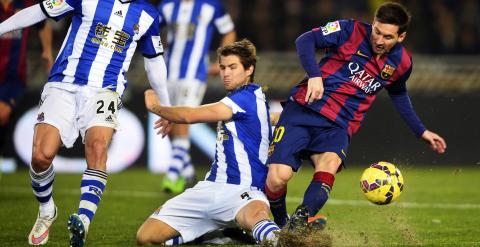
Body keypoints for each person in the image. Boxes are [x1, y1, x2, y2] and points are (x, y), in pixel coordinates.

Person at [0, 0, 170, 246]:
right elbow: (39, 10)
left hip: (105, 91)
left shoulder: (148, 15)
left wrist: (165, 107)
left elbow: (154, 61)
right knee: (41, 156)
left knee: (99, 147)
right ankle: (47, 210)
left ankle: (83, 221)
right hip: (63, 84)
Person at [265, 2, 447, 230]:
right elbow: (305, 40)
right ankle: (282, 224)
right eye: (377, 32)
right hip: (304, 109)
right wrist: (314, 75)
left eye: (388, 37)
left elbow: (399, 94)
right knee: (276, 178)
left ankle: (300, 223)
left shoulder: (402, 63)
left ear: (401, 37)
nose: (379, 40)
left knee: (329, 164)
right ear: (373, 24)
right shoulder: (348, 30)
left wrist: (421, 130)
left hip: (339, 124)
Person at [137, 39, 280, 245]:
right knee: (146, 237)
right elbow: (268, 117)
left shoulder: (244, 98)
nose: (226, 73)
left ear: (249, 70)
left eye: (233, 67)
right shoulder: (251, 99)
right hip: (208, 188)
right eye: (222, 67)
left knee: (257, 218)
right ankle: (220, 235)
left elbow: (191, 115)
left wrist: (156, 107)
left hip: (243, 190)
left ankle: (288, 241)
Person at [156, 0, 236, 193]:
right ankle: (188, 171)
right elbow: (153, 29)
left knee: (182, 118)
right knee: (169, 119)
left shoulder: (211, 6)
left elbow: (229, 30)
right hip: (167, 72)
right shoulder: (166, 5)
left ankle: (172, 174)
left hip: (194, 74)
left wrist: (221, 60)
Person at [0, 0, 53, 161]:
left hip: (13, 74)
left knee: (2, 114)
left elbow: (43, 25)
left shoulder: (27, 3)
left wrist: (47, 51)